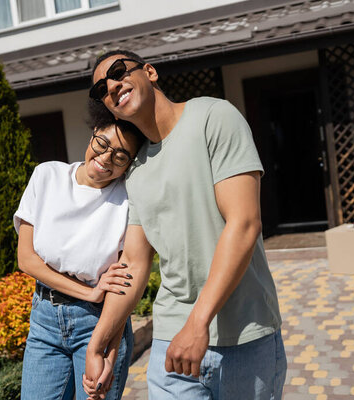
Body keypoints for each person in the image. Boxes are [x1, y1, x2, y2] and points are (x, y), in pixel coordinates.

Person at [83, 50, 287, 400]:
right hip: (171, 341)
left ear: (150, 72)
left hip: (243, 334)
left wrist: (198, 323)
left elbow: (244, 223)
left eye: (119, 72)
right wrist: (99, 344)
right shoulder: (136, 169)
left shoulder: (214, 116)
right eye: (102, 87)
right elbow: (133, 263)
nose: (112, 85)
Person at [14, 107, 145, 400]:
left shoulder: (129, 200)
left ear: (129, 164)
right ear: (93, 135)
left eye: (120, 156)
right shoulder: (47, 176)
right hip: (44, 321)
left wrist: (110, 357)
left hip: (99, 324)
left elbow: (123, 287)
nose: (105, 159)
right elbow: (27, 259)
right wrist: (90, 292)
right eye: (102, 144)